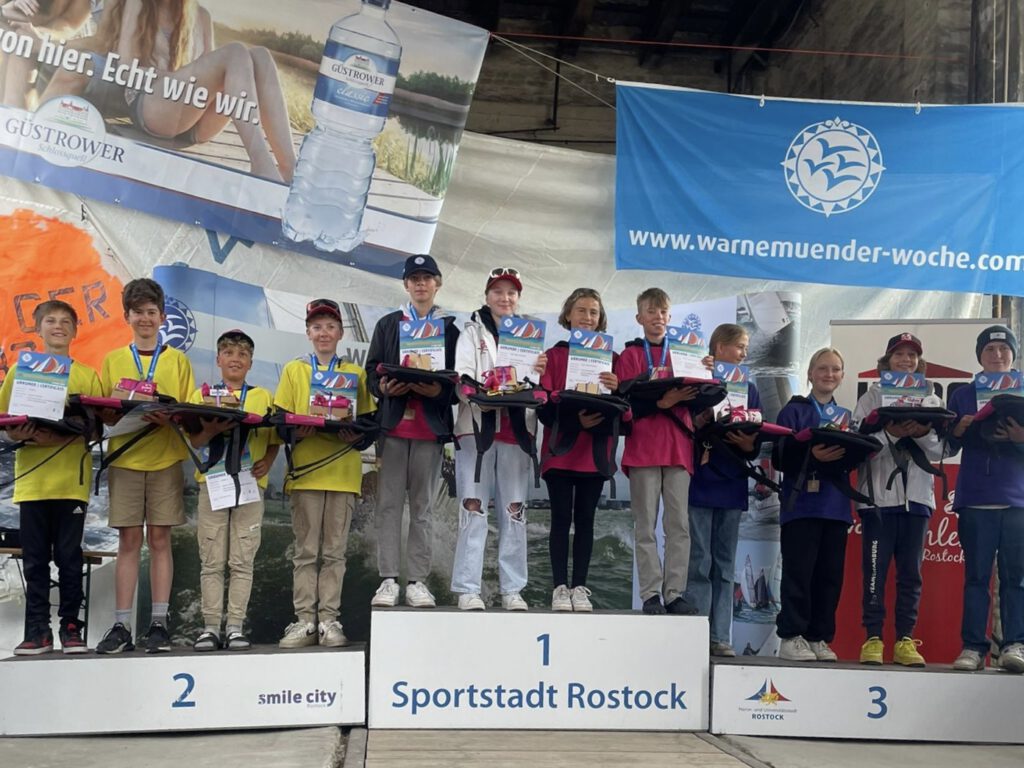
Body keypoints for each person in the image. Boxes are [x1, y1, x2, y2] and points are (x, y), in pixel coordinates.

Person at [42, 0, 296, 181]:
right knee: (235, 52)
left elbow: (210, 76)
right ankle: (262, 165)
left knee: (261, 56)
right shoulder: (139, 4)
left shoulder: (202, 16)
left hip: (195, 122)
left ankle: (289, 169)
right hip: (153, 106)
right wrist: (176, 80)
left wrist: (195, 83)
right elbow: (127, 70)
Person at [96, 277, 195, 654]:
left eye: (151, 312)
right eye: (137, 312)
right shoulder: (113, 359)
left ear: (162, 317)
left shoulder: (178, 361)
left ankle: (158, 623)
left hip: (165, 458)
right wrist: (113, 415)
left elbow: (188, 412)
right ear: (127, 316)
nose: (145, 318)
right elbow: (103, 412)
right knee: (128, 541)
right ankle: (121, 625)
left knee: (159, 540)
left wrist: (171, 417)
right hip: (125, 458)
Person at [1, 300, 102, 654]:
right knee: (34, 560)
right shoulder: (19, 371)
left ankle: (71, 627)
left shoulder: (87, 375)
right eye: (50, 321)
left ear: (75, 330)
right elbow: (6, 420)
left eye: (65, 321)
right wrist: (17, 433)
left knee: (70, 558)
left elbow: (96, 429)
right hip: (31, 483)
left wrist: (57, 437)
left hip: (71, 482)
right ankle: (37, 630)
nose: (58, 326)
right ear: (38, 327)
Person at [274, 298, 375, 648]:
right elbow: (280, 421)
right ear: (308, 333)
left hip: (344, 475)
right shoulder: (294, 370)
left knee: (335, 553)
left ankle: (329, 620)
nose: (323, 332)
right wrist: (296, 433)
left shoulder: (356, 374)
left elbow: (370, 424)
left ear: (341, 333)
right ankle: (305, 621)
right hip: (306, 474)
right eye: (316, 327)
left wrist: (357, 437)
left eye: (330, 326)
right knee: (305, 552)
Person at [365, 254, 459, 610]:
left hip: (429, 431)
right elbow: (372, 372)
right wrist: (383, 388)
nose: (421, 284)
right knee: (388, 506)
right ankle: (388, 579)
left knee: (423, 509)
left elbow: (458, 382)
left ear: (437, 283)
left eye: (427, 278)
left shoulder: (450, 330)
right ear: (406, 285)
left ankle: (418, 581)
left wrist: (438, 391)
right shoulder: (388, 324)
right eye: (414, 278)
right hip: (392, 428)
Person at [450, 267, 546, 611]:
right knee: (473, 508)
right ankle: (467, 589)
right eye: (498, 292)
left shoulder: (530, 336)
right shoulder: (470, 331)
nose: (505, 298)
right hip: (476, 430)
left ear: (518, 298)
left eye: (511, 293)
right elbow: (462, 378)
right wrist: (476, 396)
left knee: (514, 512)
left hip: (517, 432)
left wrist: (540, 371)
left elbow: (536, 385)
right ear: (487, 296)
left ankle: (512, 590)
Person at [852, 333, 941, 667]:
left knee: (910, 575)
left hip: (916, 499)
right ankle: (873, 638)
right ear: (886, 361)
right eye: (899, 354)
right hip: (878, 501)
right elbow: (857, 446)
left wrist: (921, 433)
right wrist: (890, 433)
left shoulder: (931, 397)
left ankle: (905, 639)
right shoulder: (871, 397)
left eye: (911, 355)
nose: (906, 360)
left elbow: (941, 450)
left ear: (919, 362)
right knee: (875, 573)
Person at [187, 329, 279, 651]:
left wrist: (268, 461)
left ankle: (236, 627)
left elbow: (275, 438)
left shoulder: (263, 397)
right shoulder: (201, 396)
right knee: (211, 560)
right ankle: (211, 627)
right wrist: (211, 429)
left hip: (249, 485)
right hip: (212, 484)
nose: (235, 359)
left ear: (251, 362)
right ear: (218, 360)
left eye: (242, 354)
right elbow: (194, 440)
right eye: (228, 353)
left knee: (242, 560)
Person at [614, 287, 698, 616]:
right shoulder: (630, 356)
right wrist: (663, 402)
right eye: (651, 311)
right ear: (639, 318)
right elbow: (625, 402)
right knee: (645, 525)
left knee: (679, 526)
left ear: (670, 317)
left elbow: (701, 397)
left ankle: (674, 593)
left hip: (678, 449)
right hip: (643, 448)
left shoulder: (686, 354)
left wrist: (707, 371)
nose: (657, 317)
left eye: (663, 312)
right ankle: (651, 593)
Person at [947, 325, 1024, 673]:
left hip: (1018, 500)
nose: (997, 355)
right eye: (990, 349)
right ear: (979, 355)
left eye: (1004, 349)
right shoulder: (962, 394)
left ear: (1013, 354)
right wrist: (958, 429)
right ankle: (973, 647)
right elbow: (947, 445)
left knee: (1016, 578)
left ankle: (1015, 644)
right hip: (976, 497)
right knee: (976, 577)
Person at [538, 288, 619, 612]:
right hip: (560, 451)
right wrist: (576, 420)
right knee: (560, 518)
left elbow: (624, 411)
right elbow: (543, 408)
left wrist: (618, 388)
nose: (587, 317)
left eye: (593, 312)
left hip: (594, 453)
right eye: (581, 310)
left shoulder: (612, 360)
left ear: (600, 319)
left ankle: (580, 588)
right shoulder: (553, 356)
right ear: (568, 315)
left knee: (586, 519)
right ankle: (559, 587)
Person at [685, 323, 760, 655]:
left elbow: (757, 440)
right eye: (739, 346)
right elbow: (683, 428)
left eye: (745, 347)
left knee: (726, 564)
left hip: (732, 482)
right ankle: (697, 632)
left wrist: (748, 444)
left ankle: (720, 637)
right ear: (718, 347)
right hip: (700, 480)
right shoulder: (697, 382)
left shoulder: (750, 388)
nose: (743, 353)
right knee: (699, 560)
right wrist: (701, 420)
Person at [774, 347, 849, 662]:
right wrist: (811, 455)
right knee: (799, 574)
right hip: (801, 505)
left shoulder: (845, 416)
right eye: (822, 368)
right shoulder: (793, 411)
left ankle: (818, 637)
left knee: (830, 577)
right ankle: (791, 636)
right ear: (810, 373)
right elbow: (779, 457)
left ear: (842, 376)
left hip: (837, 507)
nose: (829, 374)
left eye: (835, 369)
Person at [0, 0, 91, 108]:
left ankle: (13, 107)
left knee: (23, 43)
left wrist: (39, 34)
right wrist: (6, 10)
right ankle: (11, 107)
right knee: (17, 41)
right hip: (20, 32)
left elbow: (69, 24)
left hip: (58, 41)